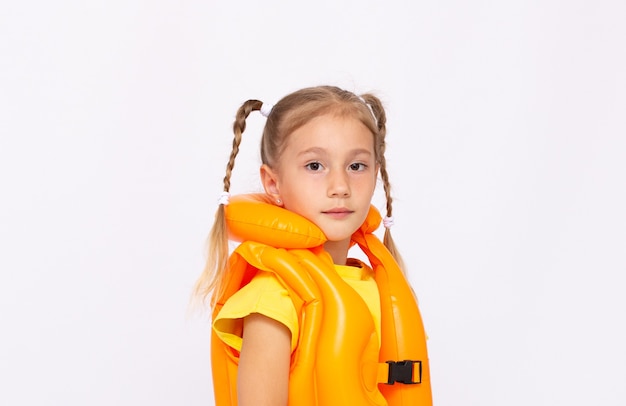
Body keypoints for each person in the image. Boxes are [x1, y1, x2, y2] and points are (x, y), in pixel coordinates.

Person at [194, 85, 432, 406]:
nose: (340, 187)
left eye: (356, 166)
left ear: (376, 173)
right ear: (273, 184)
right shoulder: (275, 299)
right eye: (315, 166)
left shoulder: (375, 285)